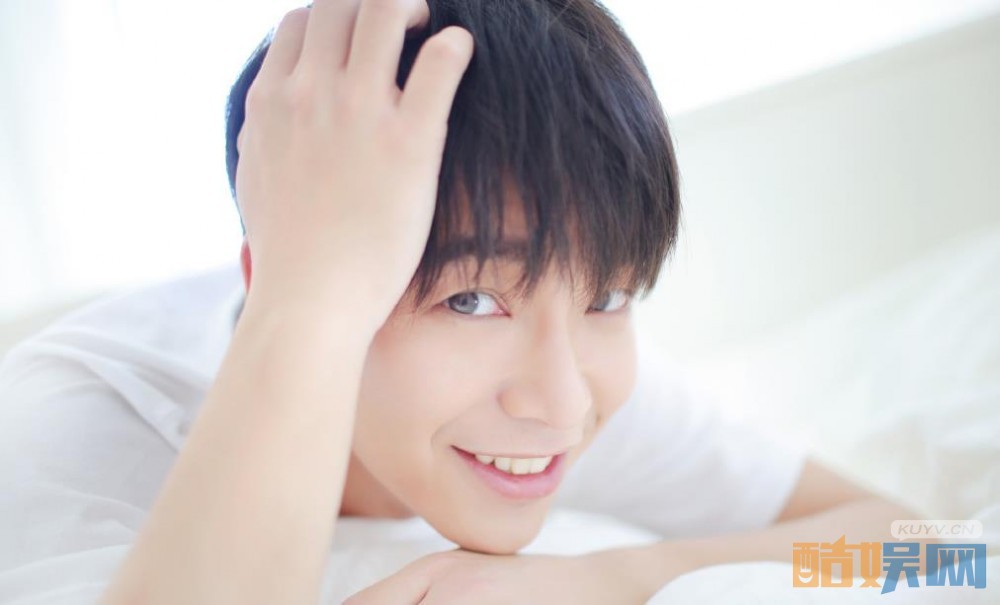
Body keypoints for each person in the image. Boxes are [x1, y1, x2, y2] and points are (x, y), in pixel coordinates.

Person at [0, 0, 925, 603]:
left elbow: (935, 548)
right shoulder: (72, 423)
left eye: (611, 291)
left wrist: (606, 578)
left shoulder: (568, 395)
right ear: (279, 275)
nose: (560, 401)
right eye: (473, 300)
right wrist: (310, 300)